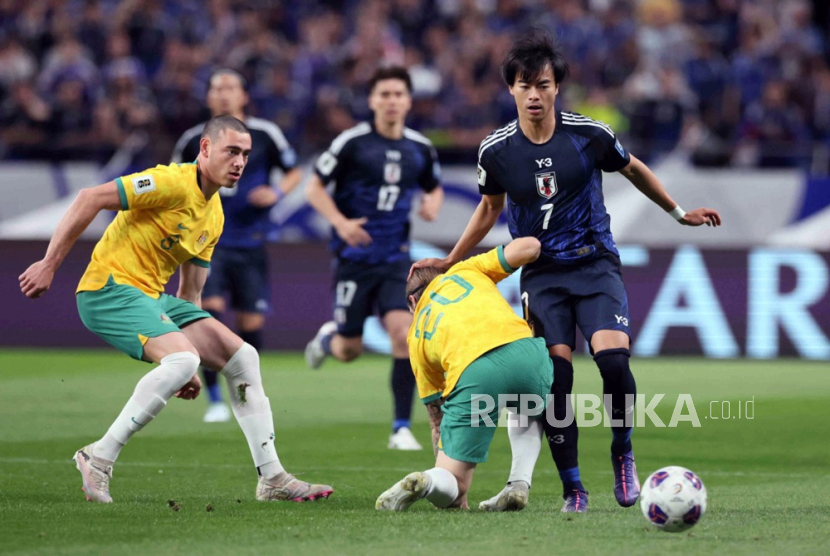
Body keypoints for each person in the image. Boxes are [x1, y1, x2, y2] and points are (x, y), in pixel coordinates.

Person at [412, 31, 722, 513]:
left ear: (557, 87)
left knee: (613, 362)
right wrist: (452, 260)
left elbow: (633, 168)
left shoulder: (589, 135)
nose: (534, 94)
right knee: (556, 381)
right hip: (543, 277)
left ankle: (623, 452)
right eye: (524, 85)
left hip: (595, 263)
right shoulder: (494, 151)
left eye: (543, 84)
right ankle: (573, 487)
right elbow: (489, 209)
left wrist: (678, 213)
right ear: (511, 90)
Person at [19, 115, 332, 504]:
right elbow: (90, 198)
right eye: (231, 151)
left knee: (243, 358)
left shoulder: (213, 215)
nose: (239, 162)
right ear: (205, 149)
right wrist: (49, 264)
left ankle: (271, 478)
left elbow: (190, 296)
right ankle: (98, 457)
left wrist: (187, 360)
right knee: (184, 359)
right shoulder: (169, 181)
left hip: (152, 297)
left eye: (246, 155)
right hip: (107, 288)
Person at [304, 66, 444, 451]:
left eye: (399, 94)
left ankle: (401, 427)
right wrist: (340, 222)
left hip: (397, 258)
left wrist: (431, 205)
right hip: (354, 256)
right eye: (384, 94)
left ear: (408, 100)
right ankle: (331, 336)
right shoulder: (352, 143)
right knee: (349, 351)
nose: (392, 101)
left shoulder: (420, 147)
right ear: (372, 101)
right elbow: (313, 186)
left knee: (404, 335)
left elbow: (434, 187)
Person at [375, 237, 552, 511]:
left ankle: (429, 482)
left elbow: (437, 421)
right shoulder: (466, 269)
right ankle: (518, 483)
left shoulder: (416, 336)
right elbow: (531, 246)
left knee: (453, 484)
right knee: (529, 405)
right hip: (527, 353)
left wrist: (455, 494)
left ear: (412, 301)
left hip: (476, 373)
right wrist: (454, 260)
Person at [172, 69, 302, 423]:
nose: (224, 94)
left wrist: (275, 193)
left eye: (230, 88)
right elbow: (175, 179)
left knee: (250, 322)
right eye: (216, 88)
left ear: (244, 95)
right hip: (204, 242)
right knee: (208, 310)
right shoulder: (193, 138)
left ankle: (245, 390)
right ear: (209, 97)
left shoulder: (264, 134)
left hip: (251, 241)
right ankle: (214, 398)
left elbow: (293, 171)